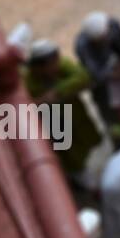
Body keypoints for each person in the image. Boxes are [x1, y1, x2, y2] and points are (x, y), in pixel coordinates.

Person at [22, 39, 103, 183]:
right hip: (53, 124)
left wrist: (57, 92)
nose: (56, 65)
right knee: (69, 156)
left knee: (85, 143)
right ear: (39, 66)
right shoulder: (27, 80)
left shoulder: (61, 65)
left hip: (76, 116)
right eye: (51, 64)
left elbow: (83, 77)